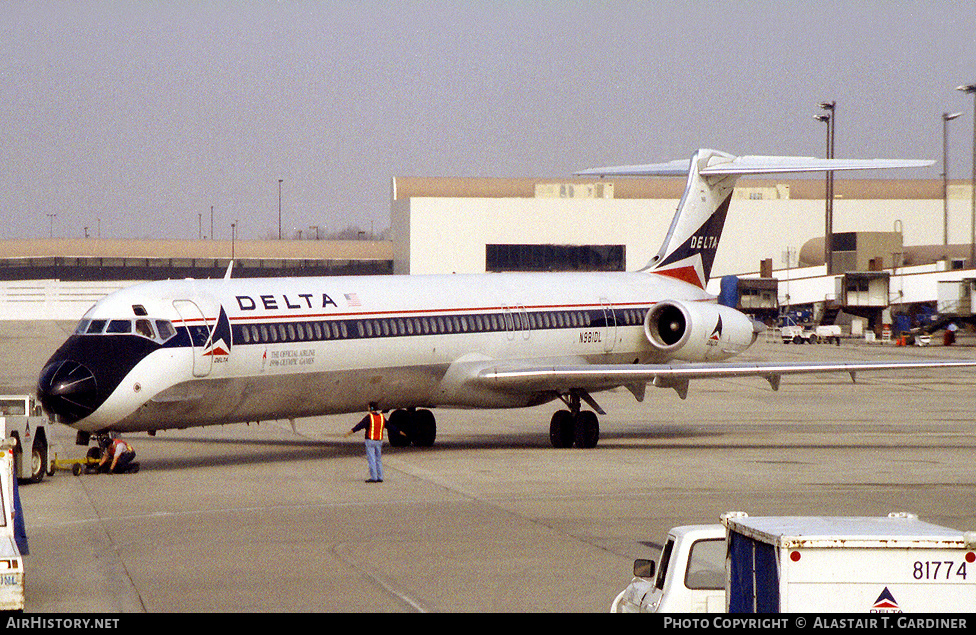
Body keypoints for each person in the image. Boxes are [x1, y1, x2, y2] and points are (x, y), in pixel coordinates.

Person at [344, 403, 402, 483]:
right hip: (379, 441)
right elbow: (389, 426)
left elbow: (360, 425)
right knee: (378, 459)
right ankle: (380, 476)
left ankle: (374, 477)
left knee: (371, 459)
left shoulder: (369, 417)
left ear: (370, 408)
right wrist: (399, 431)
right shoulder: (382, 417)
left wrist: (350, 432)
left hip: (370, 440)